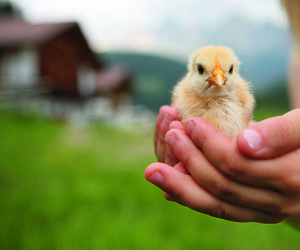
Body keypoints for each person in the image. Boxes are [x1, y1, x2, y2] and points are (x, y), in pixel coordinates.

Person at [145, 0, 300, 228]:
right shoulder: (185, 96)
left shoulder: (241, 95)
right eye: (202, 70)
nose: (218, 79)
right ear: (192, 70)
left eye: (227, 72)